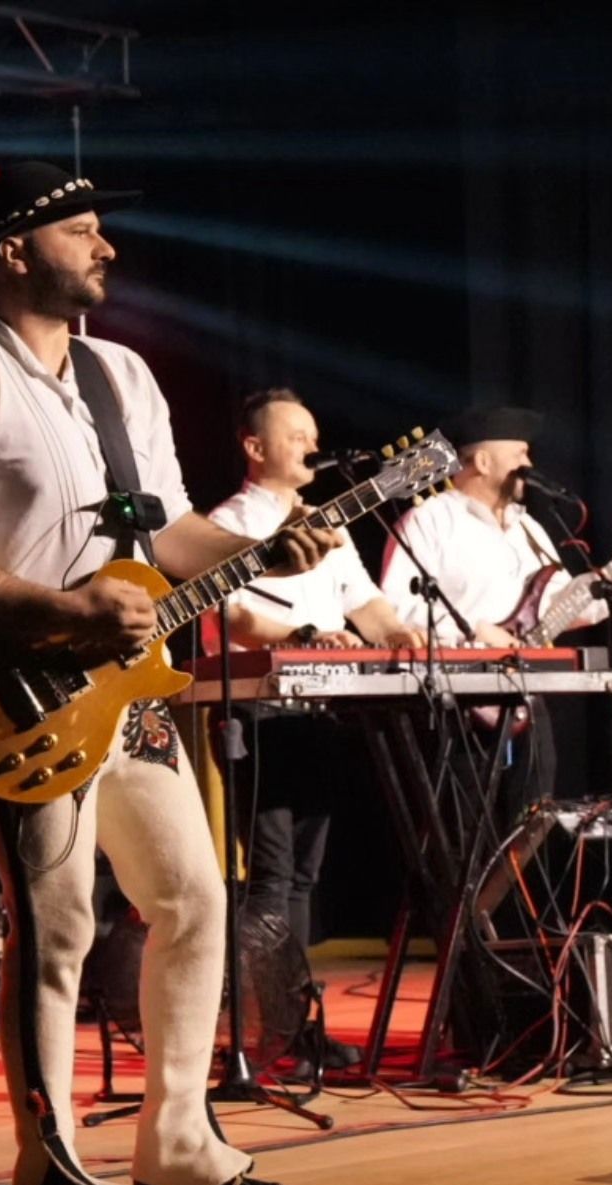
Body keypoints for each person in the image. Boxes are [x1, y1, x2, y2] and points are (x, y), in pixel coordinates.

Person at [0, 162, 339, 1185]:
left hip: (129, 694)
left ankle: (175, 1145)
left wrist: (260, 549)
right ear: (12, 250)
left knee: (194, 898)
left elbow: (170, 534)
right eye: (82, 230)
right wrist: (61, 614)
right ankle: (47, 1176)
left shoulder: (122, 374)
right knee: (59, 927)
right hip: (18, 694)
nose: (108, 248)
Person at [203, 388, 422, 959]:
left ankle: (292, 1003)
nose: (312, 447)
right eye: (297, 436)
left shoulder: (328, 525)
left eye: (314, 437)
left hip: (319, 710)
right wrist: (305, 636)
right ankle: (270, 1007)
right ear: (255, 447)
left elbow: (365, 602)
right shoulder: (227, 524)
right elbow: (232, 619)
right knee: (273, 872)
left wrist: (397, 634)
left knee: (304, 873)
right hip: (258, 710)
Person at [379, 405, 612, 816]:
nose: (529, 464)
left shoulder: (528, 529)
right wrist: (476, 633)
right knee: (462, 831)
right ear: (482, 461)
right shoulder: (429, 521)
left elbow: (557, 606)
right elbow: (396, 611)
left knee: (533, 823)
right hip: (454, 702)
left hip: (524, 697)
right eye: (519, 454)